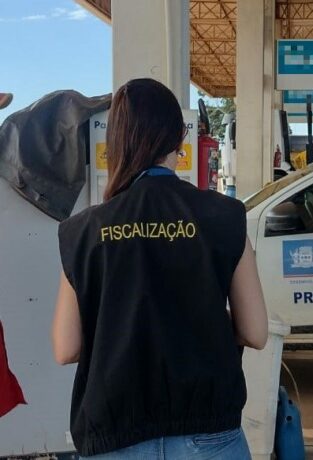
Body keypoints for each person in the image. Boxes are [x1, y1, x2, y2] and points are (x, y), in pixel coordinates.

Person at [52, 78, 268, 459]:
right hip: (208, 434)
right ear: (178, 139)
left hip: (113, 436)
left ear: (115, 143)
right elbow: (255, 332)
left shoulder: (83, 231)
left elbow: (66, 348)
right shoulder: (224, 216)